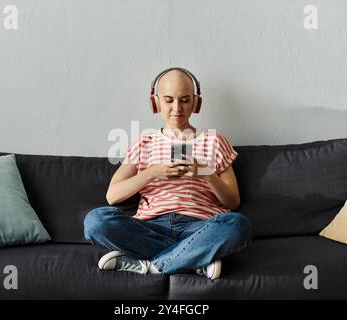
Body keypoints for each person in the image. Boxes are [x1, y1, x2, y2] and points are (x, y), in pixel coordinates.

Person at [83, 67, 252, 280]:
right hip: (150, 227)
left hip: (199, 228)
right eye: (169, 100)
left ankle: (151, 265)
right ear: (156, 103)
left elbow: (233, 201)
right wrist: (153, 172)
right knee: (96, 221)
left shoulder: (214, 140)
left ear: (196, 103)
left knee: (238, 225)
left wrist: (205, 173)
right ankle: (193, 259)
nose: (177, 108)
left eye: (184, 100)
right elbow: (112, 196)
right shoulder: (145, 142)